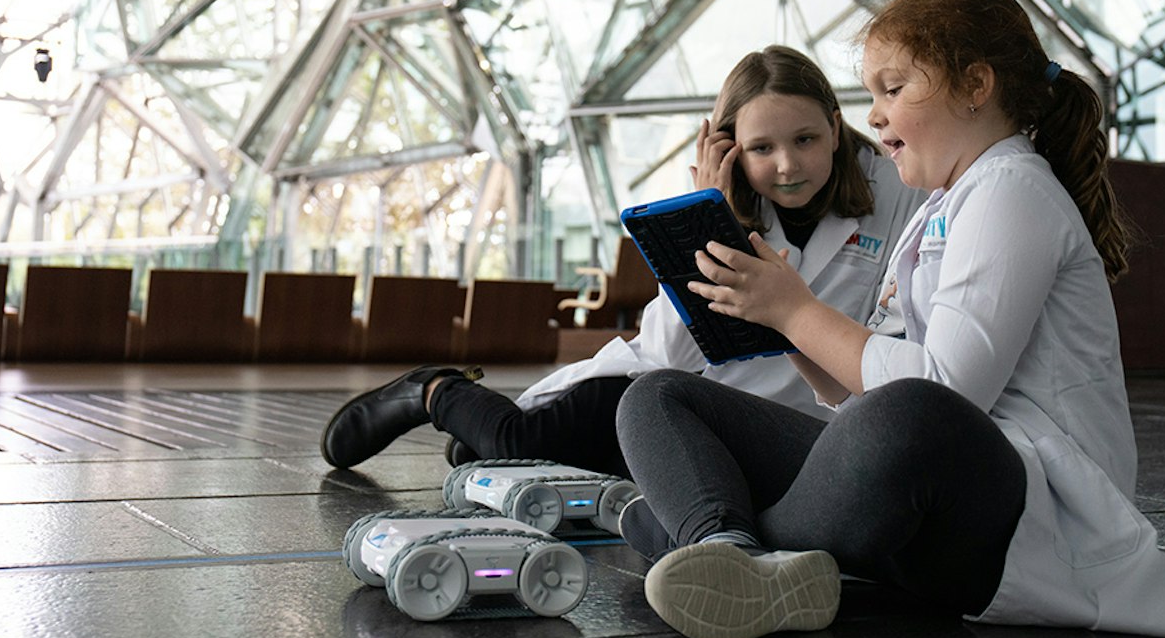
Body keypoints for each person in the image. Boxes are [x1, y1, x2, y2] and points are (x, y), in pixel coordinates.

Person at [610, 0, 1165, 638]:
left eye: (893, 89)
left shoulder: (1013, 188)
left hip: (1029, 513)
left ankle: (702, 526)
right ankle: (732, 551)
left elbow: (945, 392)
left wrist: (798, 311)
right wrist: (781, 320)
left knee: (910, 420)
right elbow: (844, 387)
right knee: (656, 398)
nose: (877, 116)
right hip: (933, 495)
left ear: (975, 85)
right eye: (872, 94)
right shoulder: (949, 203)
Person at [317, 46, 923, 475]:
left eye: (805, 140)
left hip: (777, 424)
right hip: (662, 392)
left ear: (837, 130)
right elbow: (670, 354)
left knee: (537, 462)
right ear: (728, 149)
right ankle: (435, 390)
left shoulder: (897, 195)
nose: (787, 165)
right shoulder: (719, 212)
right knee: (515, 439)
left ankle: (486, 443)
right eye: (761, 148)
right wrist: (716, 219)